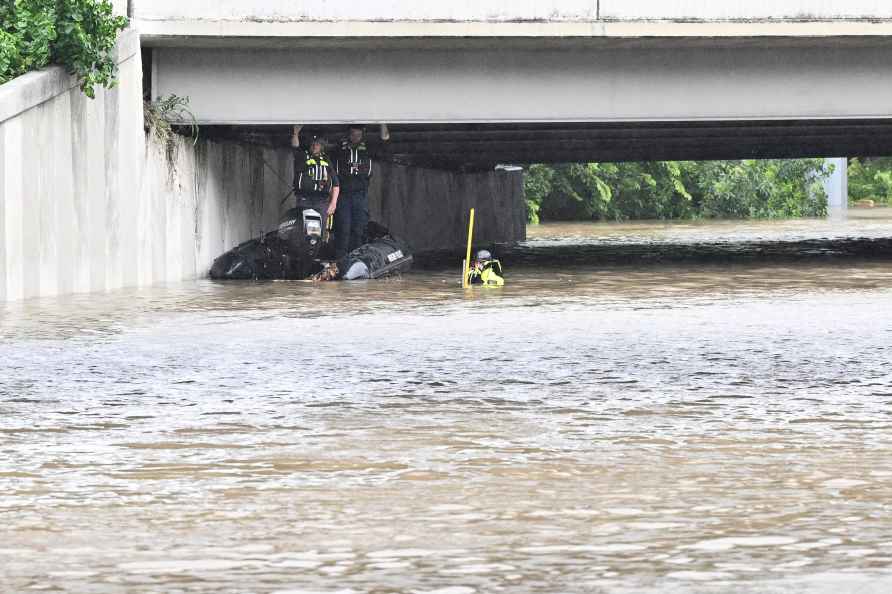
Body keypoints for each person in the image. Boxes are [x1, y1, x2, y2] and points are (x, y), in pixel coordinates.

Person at [332, 124, 373, 259]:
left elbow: (386, 140)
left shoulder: (368, 149)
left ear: (362, 136)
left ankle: (357, 258)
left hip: (360, 195)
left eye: (358, 135)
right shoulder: (339, 150)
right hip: (343, 196)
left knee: (359, 228)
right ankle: (340, 259)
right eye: (353, 134)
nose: (355, 137)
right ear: (348, 135)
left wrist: (383, 123)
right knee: (343, 227)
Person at [291, 126, 340, 223]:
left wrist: (333, 203)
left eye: (317, 144)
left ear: (321, 146)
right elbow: (295, 147)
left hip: (322, 200)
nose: (314, 146)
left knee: (320, 229)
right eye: (313, 144)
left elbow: (336, 184)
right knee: (304, 228)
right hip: (304, 199)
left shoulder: (326, 160)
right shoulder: (303, 156)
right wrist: (296, 133)